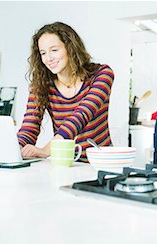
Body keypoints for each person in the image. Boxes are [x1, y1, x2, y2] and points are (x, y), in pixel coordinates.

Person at [17, 22, 114, 162]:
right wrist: (14, 148)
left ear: (70, 48)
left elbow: (81, 116)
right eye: (43, 53)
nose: (48, 58)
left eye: (54, 50)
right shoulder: (41, 85)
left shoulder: (101, 75)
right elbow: (29, 128)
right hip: (66, 163)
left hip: (101, 163)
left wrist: (45, 150)